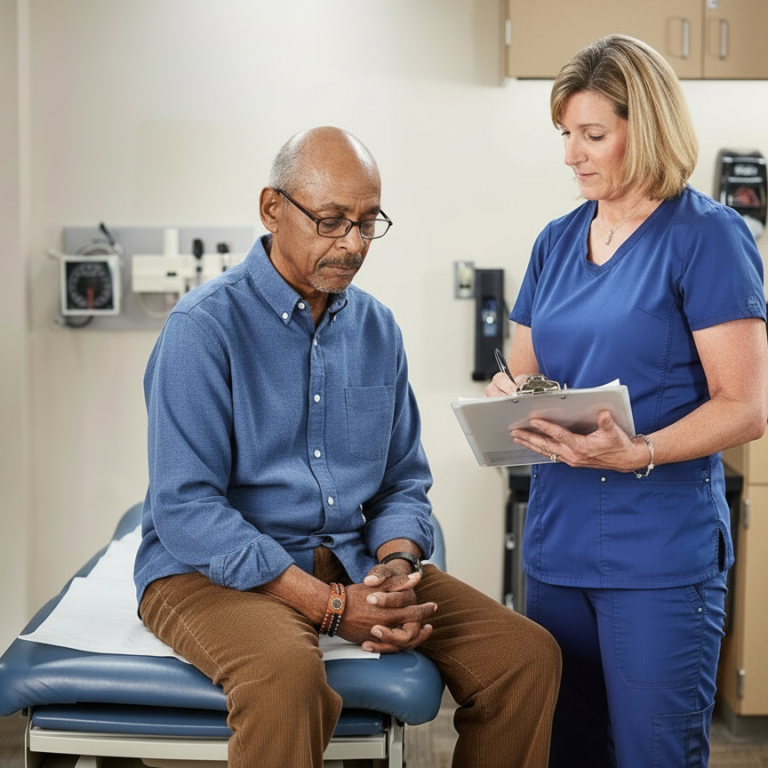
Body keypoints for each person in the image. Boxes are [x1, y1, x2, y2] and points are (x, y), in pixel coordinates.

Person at [134, 126, 561, 768]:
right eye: (332, 221)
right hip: (206, 572)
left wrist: (395, 563)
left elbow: (401, 482)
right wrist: (332, 608)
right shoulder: (202, 329)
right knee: (284, 675)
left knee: (525, 658)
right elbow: (186, 508)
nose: (354, 244)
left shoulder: (376, 328)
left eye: (368, 223)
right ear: (272, 208)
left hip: (348, 558)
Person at [486, 35, 768, 768]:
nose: (572, 155)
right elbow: (523, 373)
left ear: (645, 129)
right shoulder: (557, 240)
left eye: (592, 135)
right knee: (567, 750)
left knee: (653, 755)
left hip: (658, 561)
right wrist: (509, 396)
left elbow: (745, 405)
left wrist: (638, 450)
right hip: (556, 549)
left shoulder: (707, 236)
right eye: (565, 136)